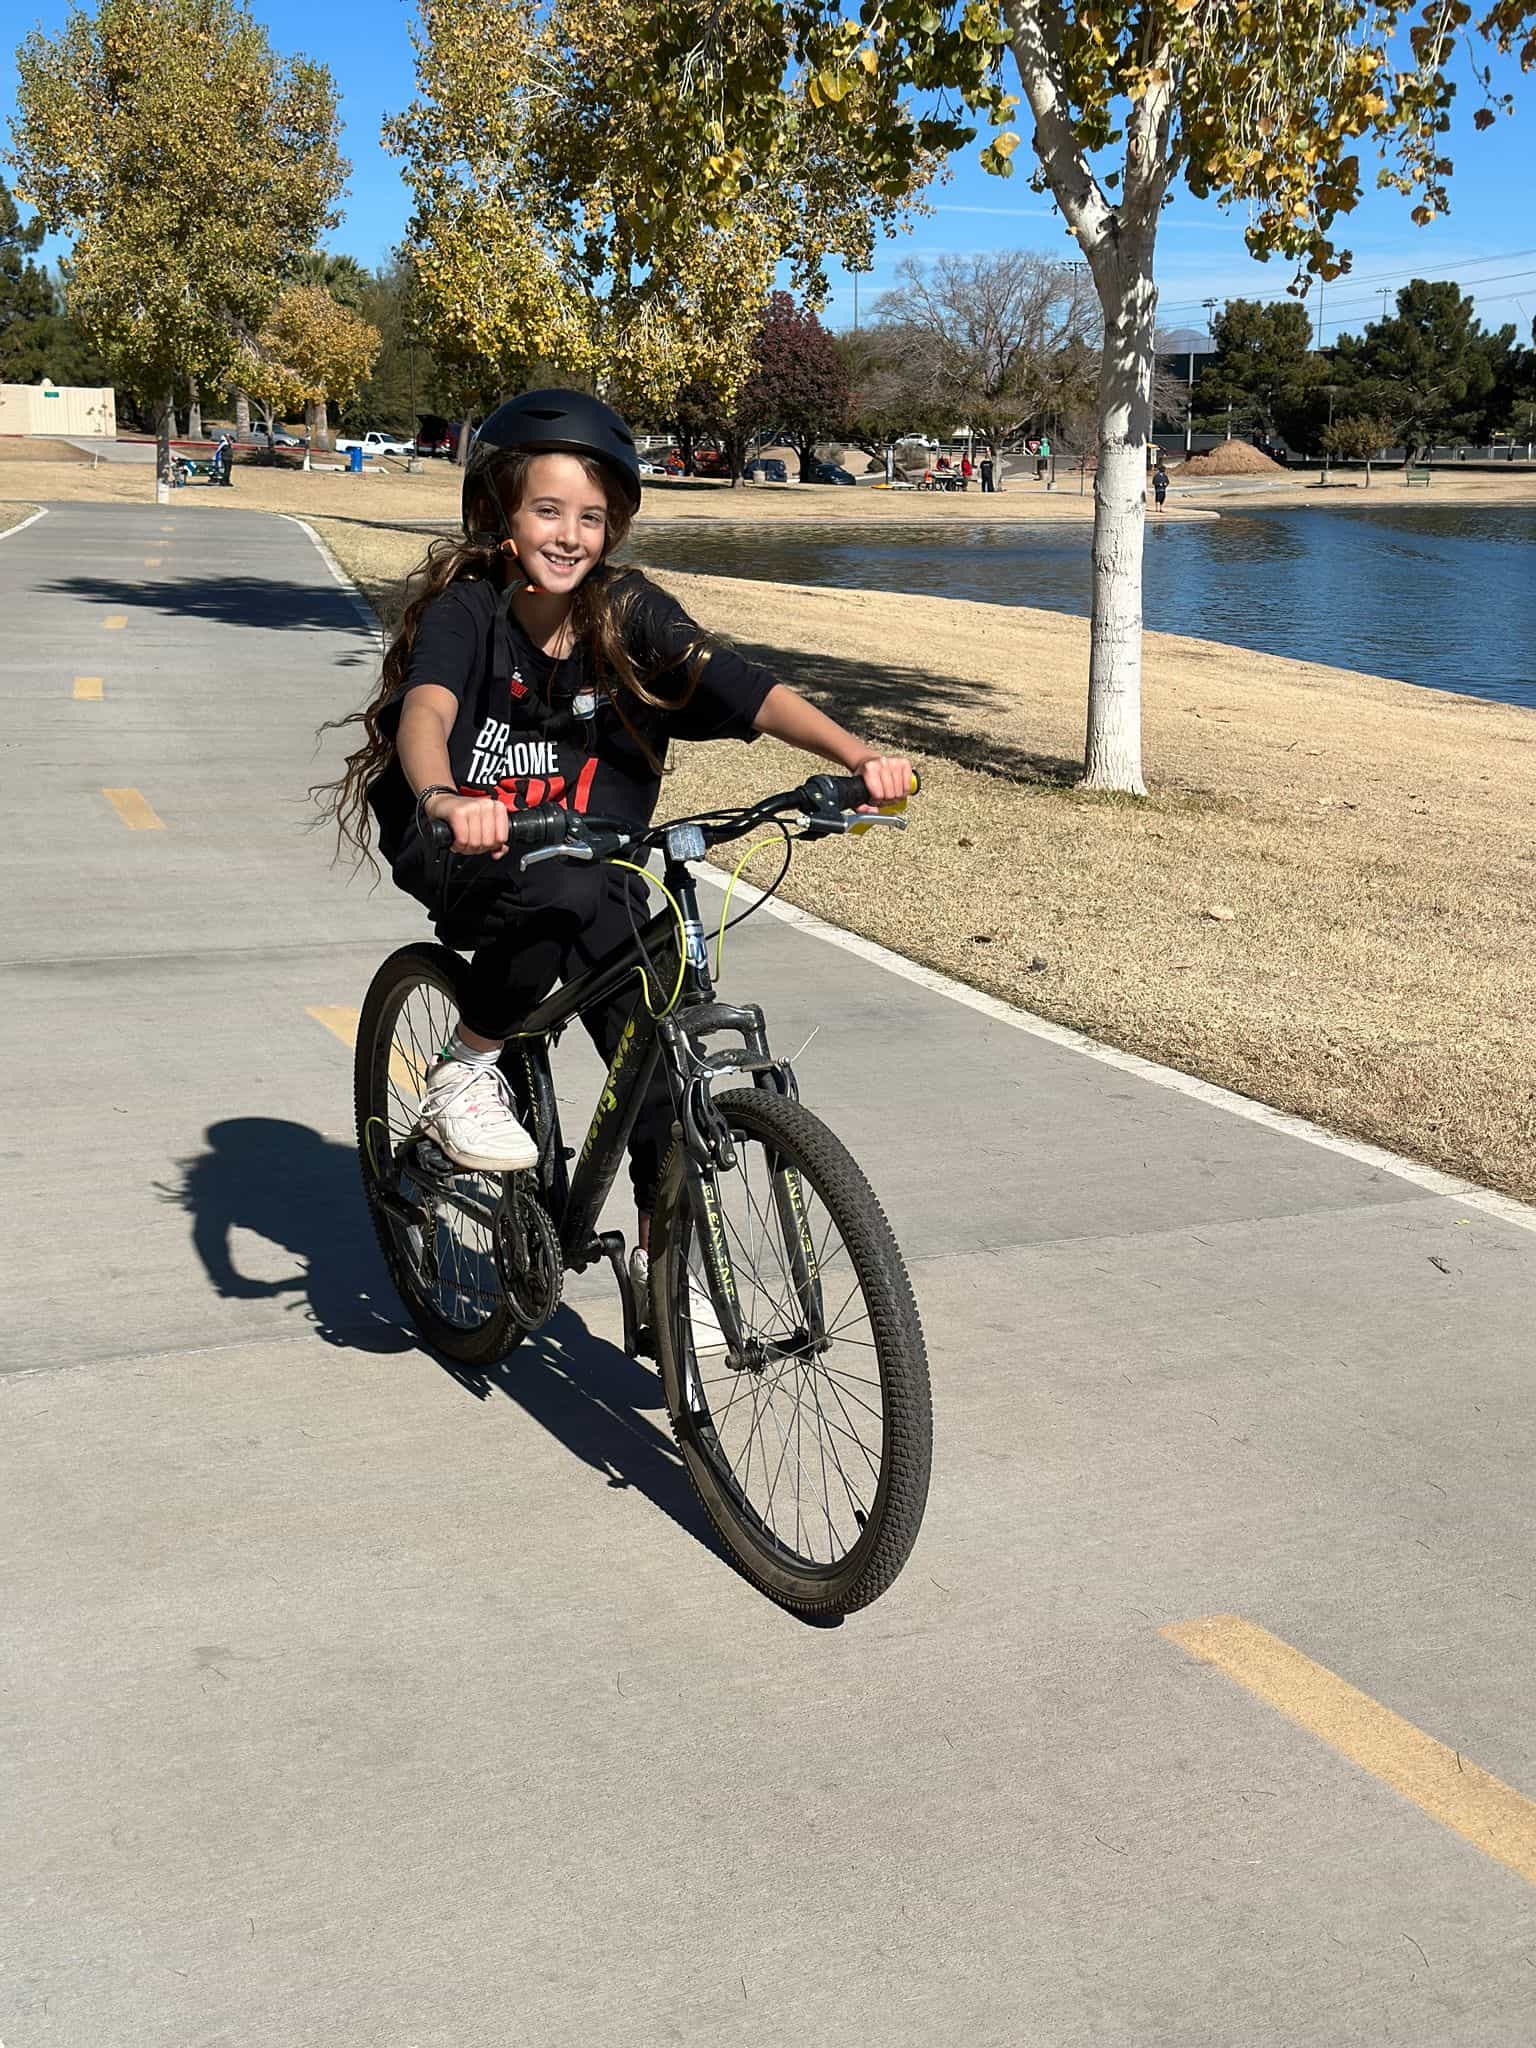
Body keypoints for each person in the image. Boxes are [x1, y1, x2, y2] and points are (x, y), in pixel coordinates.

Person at [320, 389, 912, 1295]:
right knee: (554, 896)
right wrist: (445, 795)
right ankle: (466, 1066)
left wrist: (857, 755)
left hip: (595, 863)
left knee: (662, 1018)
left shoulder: (625, 613)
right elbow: (428, 709)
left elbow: (745, 687)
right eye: (547, 510)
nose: (570, 534)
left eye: (591, 516)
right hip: (465, 847)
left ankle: (663, 1259)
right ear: (501, 520)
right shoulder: (470, 613)